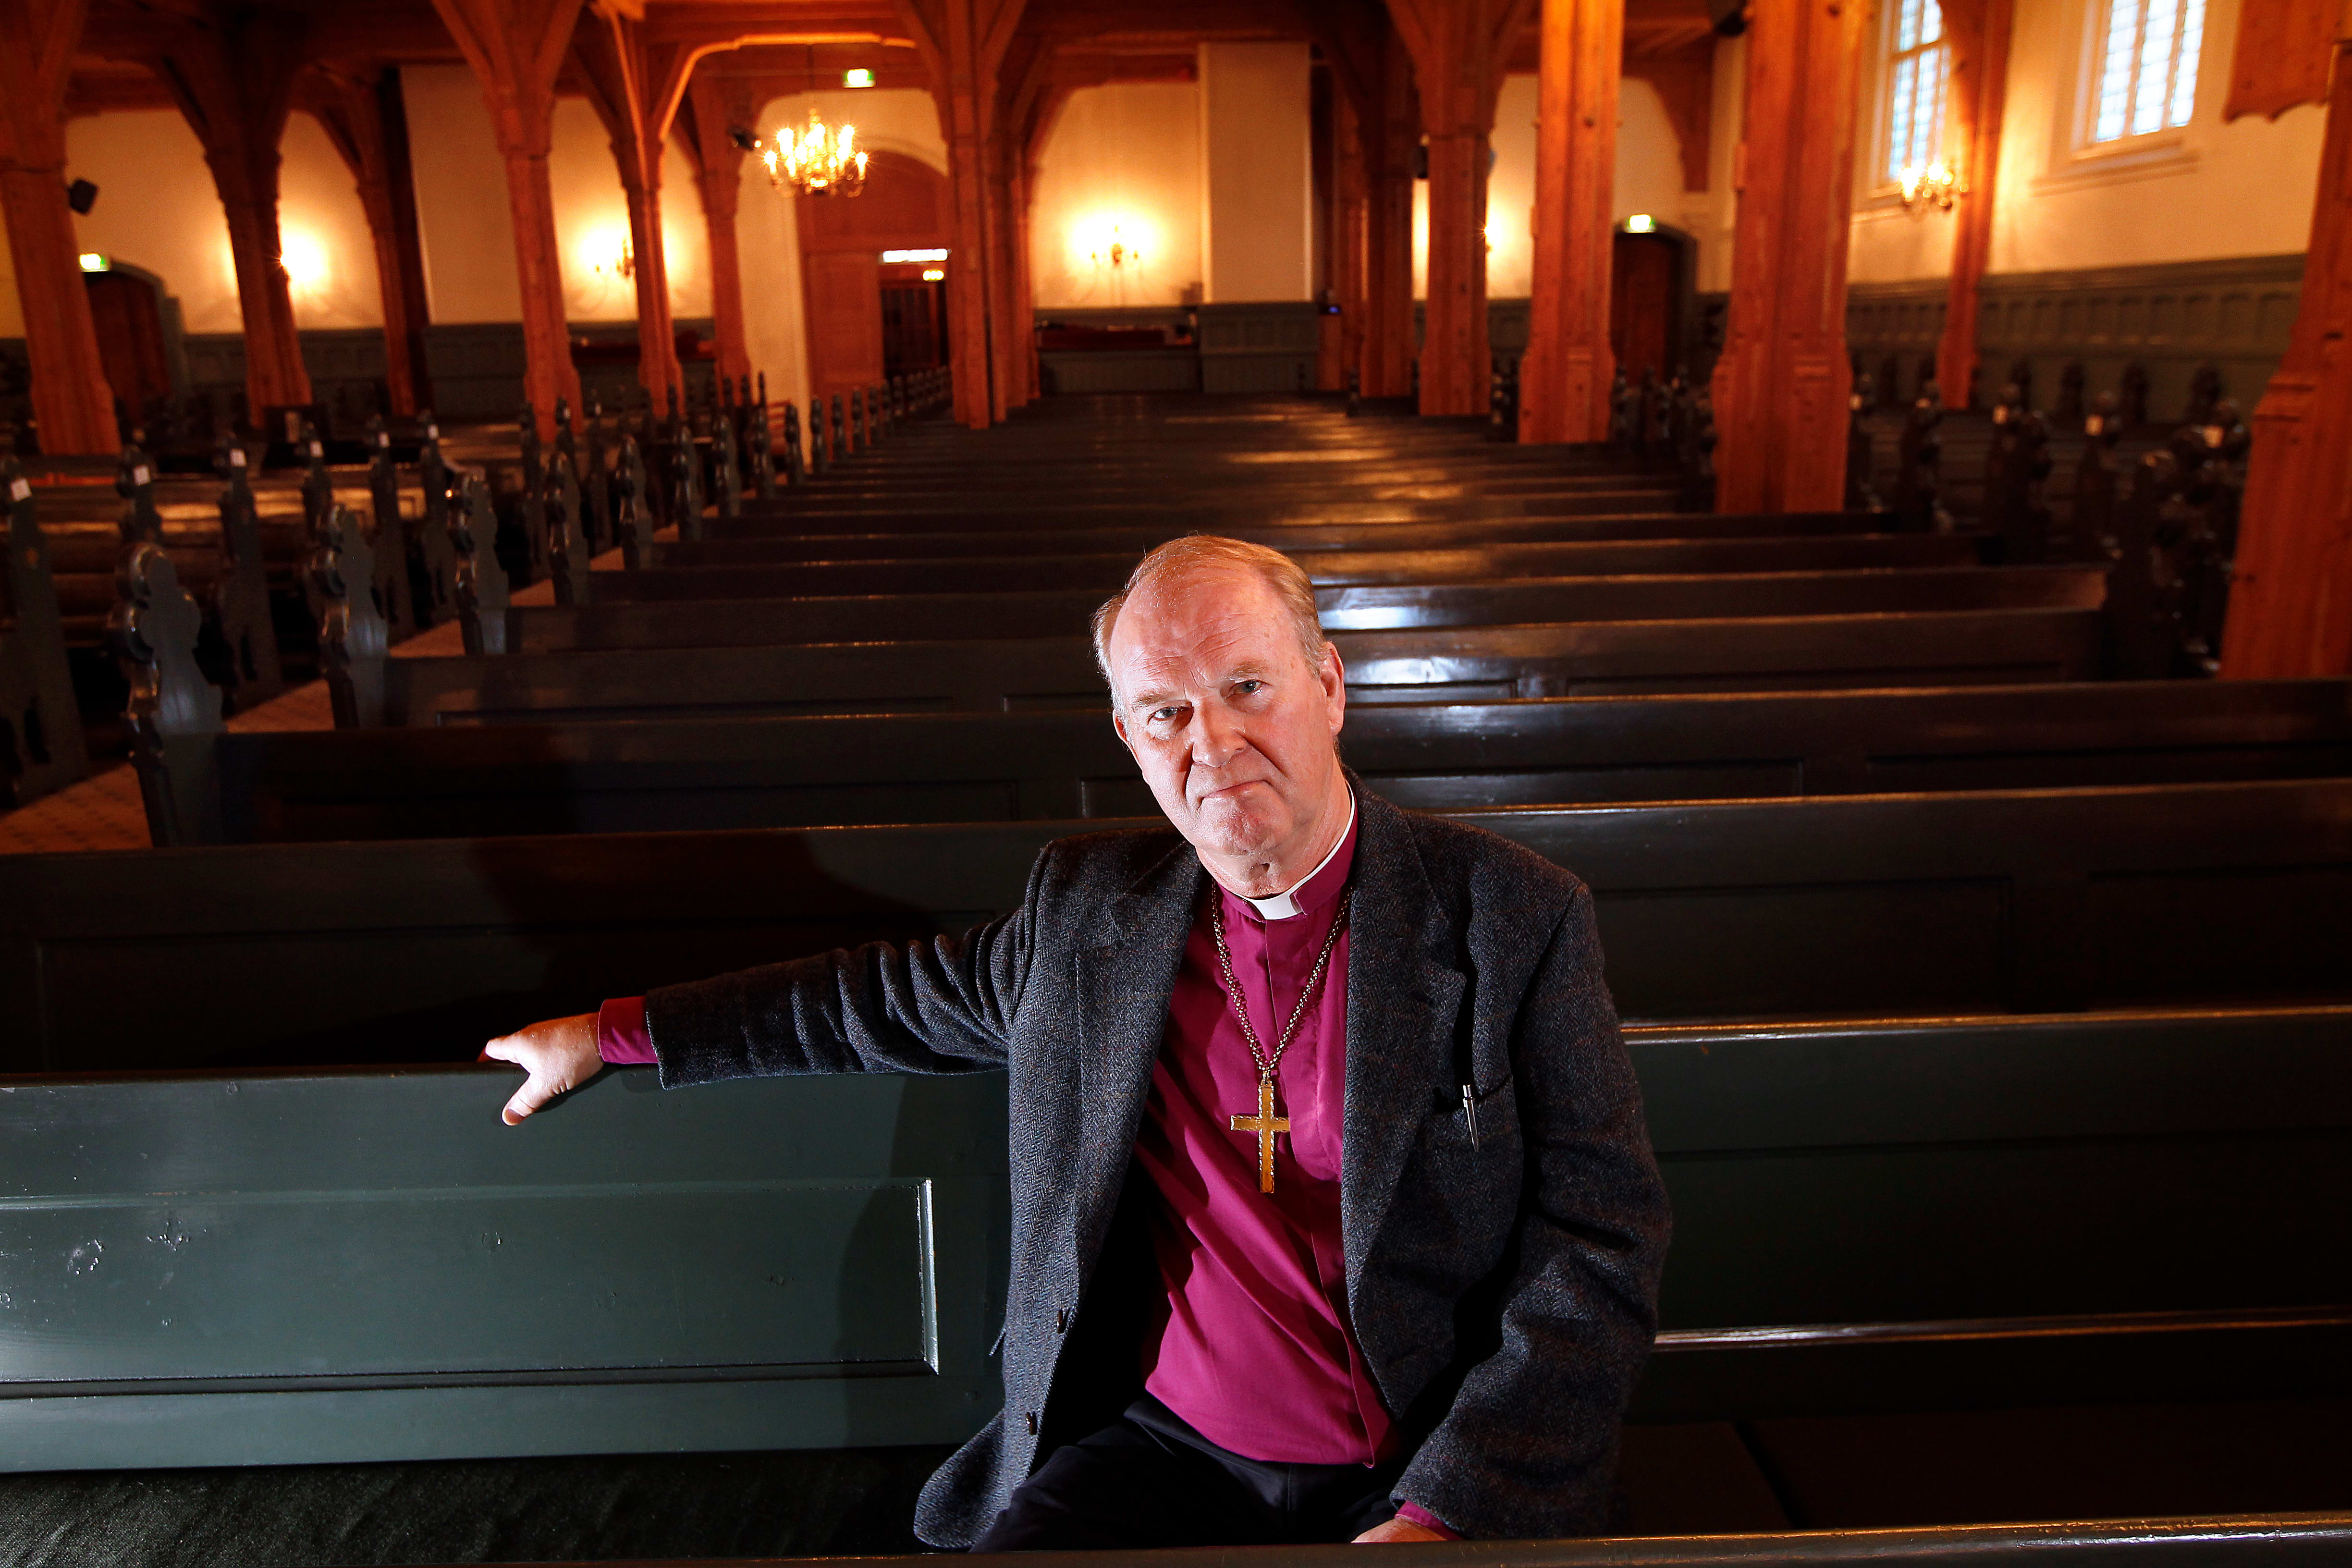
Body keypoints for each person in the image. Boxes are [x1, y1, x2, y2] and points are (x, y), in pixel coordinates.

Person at [485, 535, 1671, 1551]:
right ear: (1129, 738)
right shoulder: (1092, 914)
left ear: (1328, 685)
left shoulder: (1514, 917)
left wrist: (1447, 1511)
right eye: (1167, 713)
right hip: (1165, 1446)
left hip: (1425, 1452)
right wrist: (609, 1035)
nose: (1212, 742)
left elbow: (1600, 1242)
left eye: (1247, 688)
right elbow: (870, 1003)